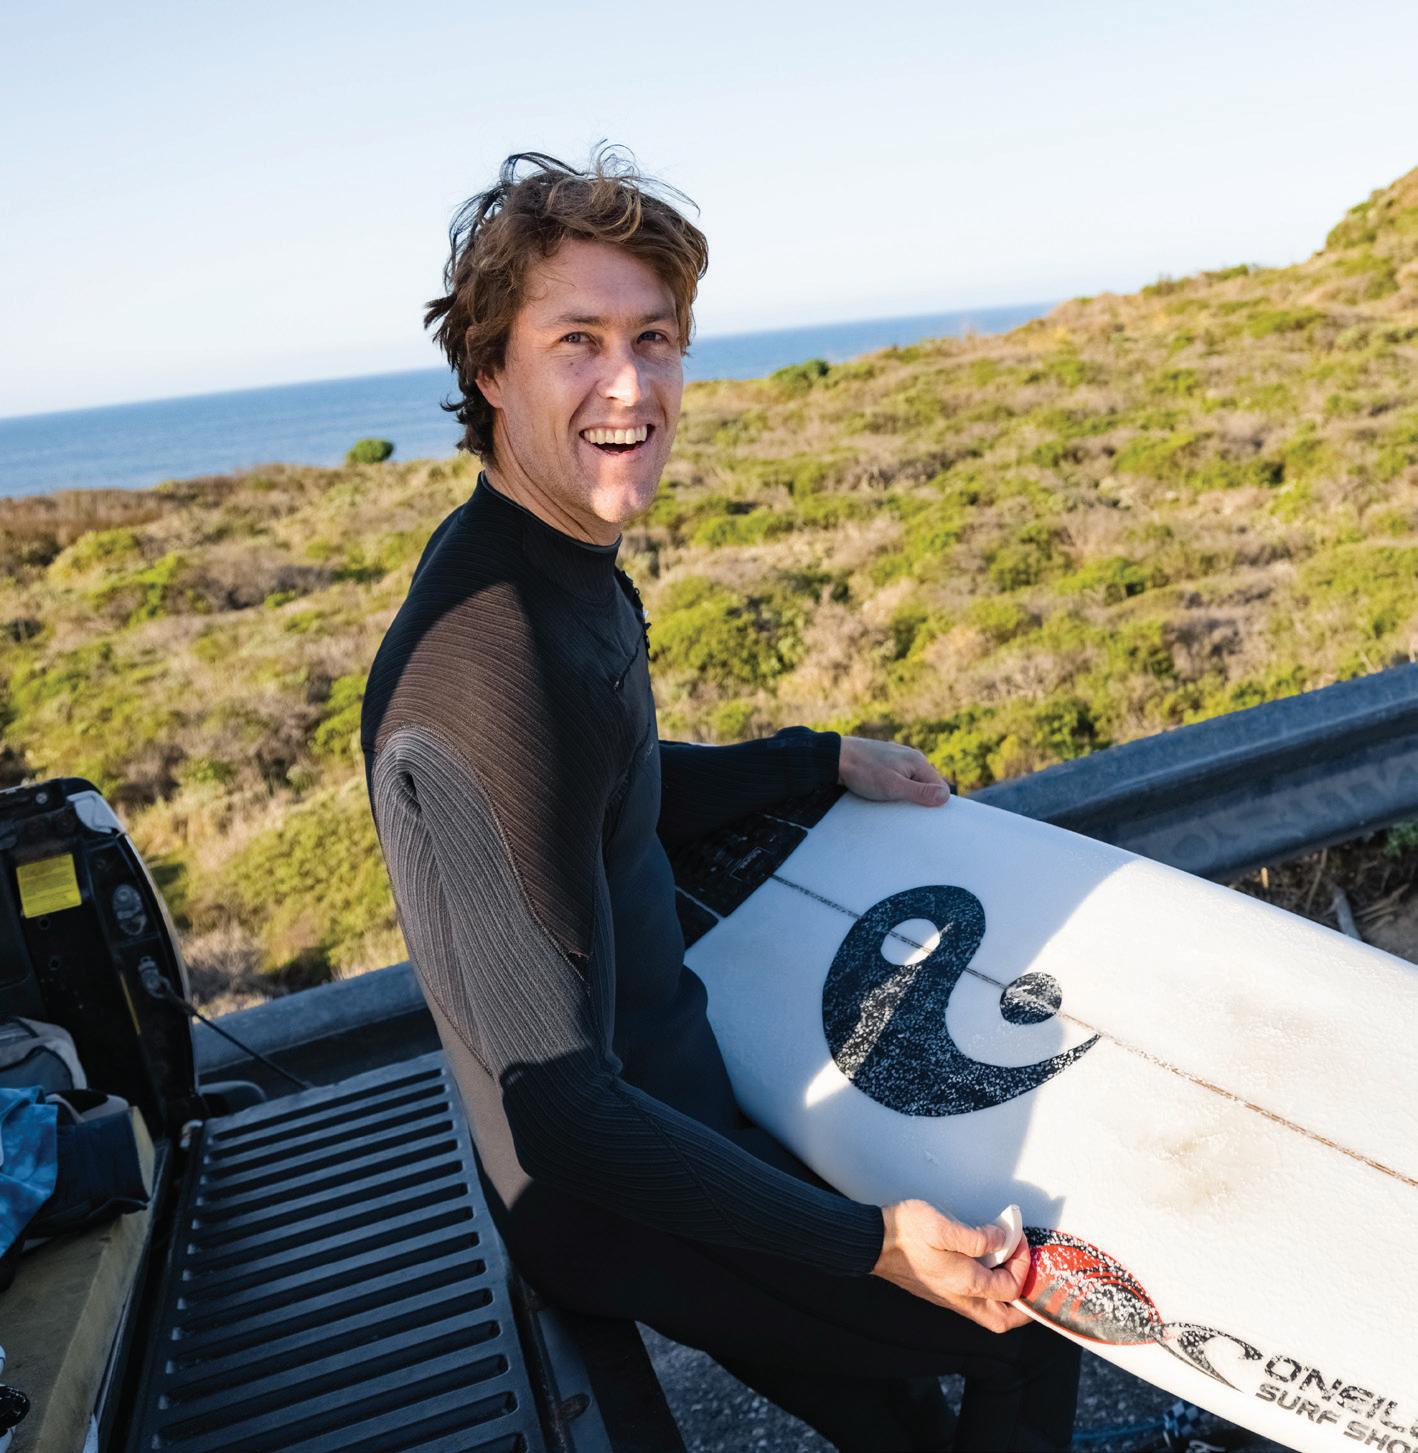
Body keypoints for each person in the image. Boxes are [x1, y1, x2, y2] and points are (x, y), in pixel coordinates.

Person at [360, 146, 1081, 1453]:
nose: (629, 385)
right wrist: (871, 1244)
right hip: (618, 1191)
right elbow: (564, 1112)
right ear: (490, 370)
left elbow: (615, 790)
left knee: (897, 1408)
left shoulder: (547, 566)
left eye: (654, 338)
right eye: (576, 341)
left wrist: (818, 759)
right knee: (1016, 1323)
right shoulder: (491, 661)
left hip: (677, 1103)